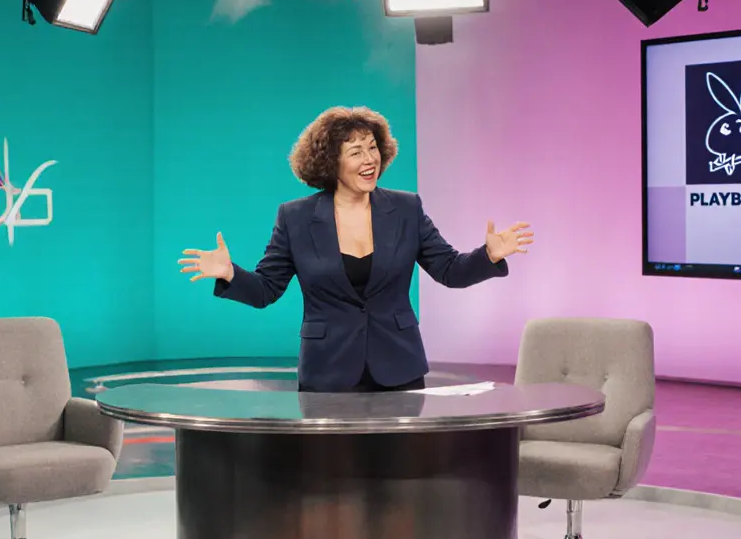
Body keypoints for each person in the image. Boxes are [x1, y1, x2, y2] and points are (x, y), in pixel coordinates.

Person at [178, 106, 533, 393]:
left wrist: (488, 256)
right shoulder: (295, 217)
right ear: (330, 163)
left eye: (373, 148)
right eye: (356, 151)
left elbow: (450, 271)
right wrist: (229, 274)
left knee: (400, 474)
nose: (369, 159)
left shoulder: (406, 209)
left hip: (399, 368)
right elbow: (266, 290)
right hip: (328, 372)